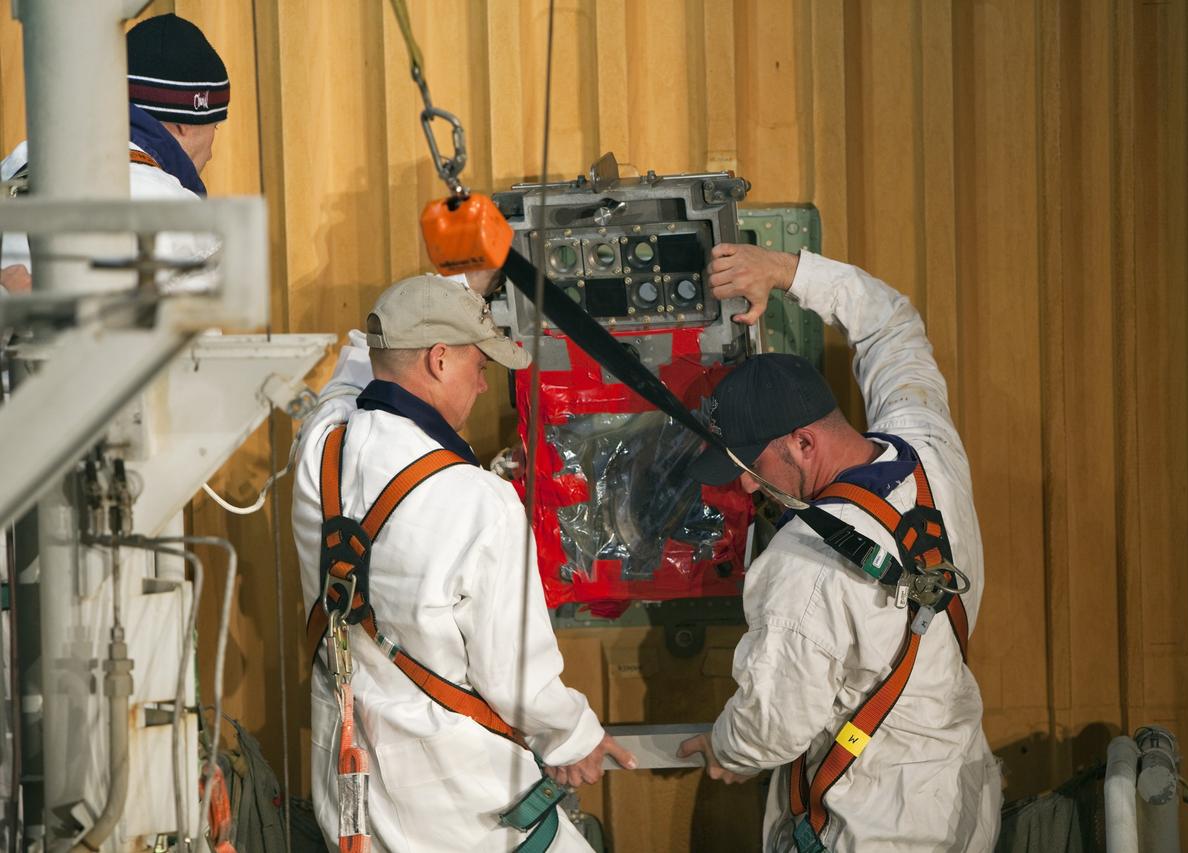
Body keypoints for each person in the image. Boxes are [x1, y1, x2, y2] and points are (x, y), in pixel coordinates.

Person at [292, 274, 635, 852]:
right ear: (439, 359)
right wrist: (574, 739)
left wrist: (453, 288)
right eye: (480, 364)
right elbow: (517, 677)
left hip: (351, 794)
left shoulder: (318, 447)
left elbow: (355, 367)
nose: (482, 385)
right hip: (463, 805)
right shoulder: (480, 501)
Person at [677, 243, 1001, 851]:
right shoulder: (928, 445)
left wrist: (724, 748)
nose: (747, 483)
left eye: (752, 464)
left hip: (869, 831)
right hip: (962, 807)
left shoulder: (801, 567)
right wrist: (785, 271)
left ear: (803, 443)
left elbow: (771, 729)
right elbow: (890, 325)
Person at [0, 13, 226, 294]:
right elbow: (197, 338)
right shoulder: (181, 218)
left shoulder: (17, 162)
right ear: (183, 124)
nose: (212, 153)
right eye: (214, 127)